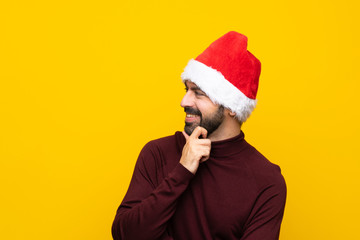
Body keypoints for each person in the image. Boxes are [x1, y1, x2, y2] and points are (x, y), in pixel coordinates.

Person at [112, 31, 287, 240]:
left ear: (231, 106)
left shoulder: (267, 182)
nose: (184, 101)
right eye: (187, 89)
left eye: (199, 93)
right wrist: (182, 171)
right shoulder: (157, 153)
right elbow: (126, 234)